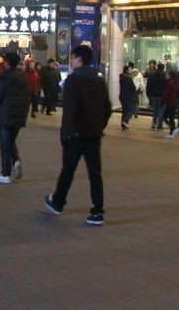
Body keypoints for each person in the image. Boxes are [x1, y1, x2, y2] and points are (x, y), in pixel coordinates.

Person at [44, 45, 112, 225]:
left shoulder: (73, 80)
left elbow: (70, 111)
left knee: (67, 170)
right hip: (93, 135)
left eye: (72, 58)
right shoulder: (99, 80)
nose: (71, 61)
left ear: (78, 58)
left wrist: (65, 134)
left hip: (75, 134)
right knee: (95, 174)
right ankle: (97, 212)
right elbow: (107, 107)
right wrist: (99, 126)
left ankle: (58, 202)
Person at [0, 52, 30, 184]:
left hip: (4, 116)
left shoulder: (5, 78)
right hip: (19, 118)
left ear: (7, 63)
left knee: (4, 145)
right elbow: (28, 99)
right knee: (10, 141)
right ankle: (16, 161)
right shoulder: (24, 78)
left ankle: (5, 174)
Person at [145, 60, 165, 130]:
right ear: (163, 68)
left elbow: (148, 85)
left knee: (155, 110)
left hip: (154, 96)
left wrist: (148, 94)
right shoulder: (164, 76)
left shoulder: (152, 75)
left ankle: (154, 123)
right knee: (161, 110)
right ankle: (160, 125)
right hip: (162, 96)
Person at [162, 70, 179, 138]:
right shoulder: (176, 83)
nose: (166, 75)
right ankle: (172, 130)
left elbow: (166, 93)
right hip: (174, 102)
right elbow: (178, 93)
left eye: (167, 74)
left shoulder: (169, 83)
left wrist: (163, 100)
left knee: (165, 117)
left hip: (169, 102)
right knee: (171, 117)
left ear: (170, 75)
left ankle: (173, 129)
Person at [118, 64, 137, 130]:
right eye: (129, 69)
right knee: (130, 110)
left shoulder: (122, 77)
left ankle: (123, 125)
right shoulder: (128, 78)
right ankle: (125, 122)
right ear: (127, 71)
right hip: (128, 96)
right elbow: (133, 87)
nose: (131, 70)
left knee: (124, 111)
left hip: (122, 96)